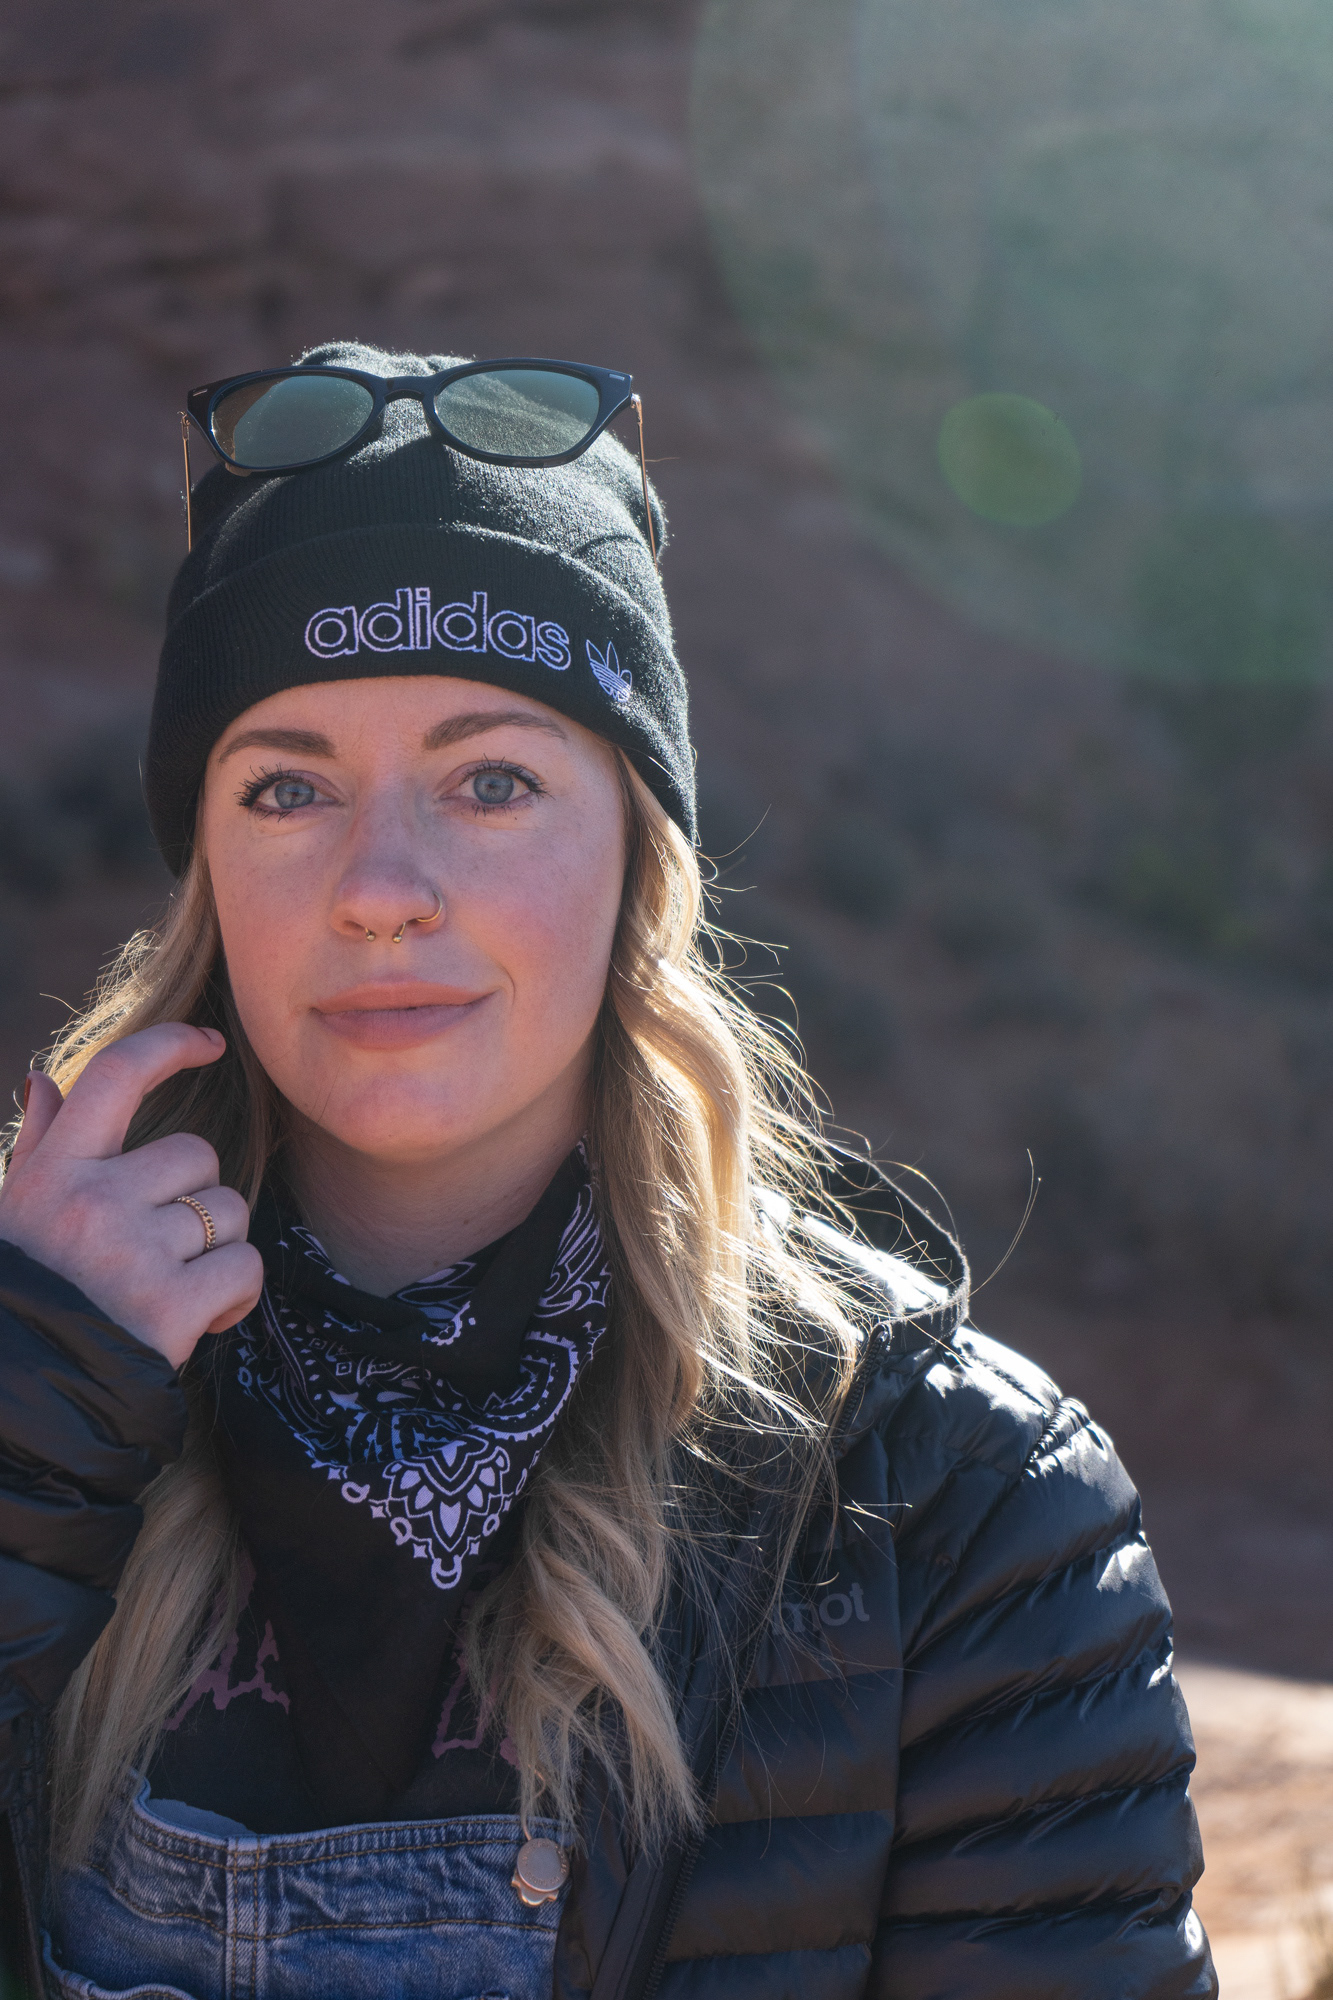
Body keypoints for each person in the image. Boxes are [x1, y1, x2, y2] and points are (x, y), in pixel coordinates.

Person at [0, 341, 1215, 2000]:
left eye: (491, 781)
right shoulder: (38, 1385)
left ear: (640, 857)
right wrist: (34, 1431)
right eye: (286, 787)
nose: (380, 886)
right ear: (206, 868)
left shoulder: (955, 1498)